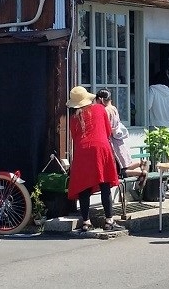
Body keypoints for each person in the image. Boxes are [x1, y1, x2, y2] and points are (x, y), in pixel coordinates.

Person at [66, 85, 122, 232]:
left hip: (82, 151)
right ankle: (109, 221)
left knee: (84, 186)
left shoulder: (74, 118)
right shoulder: (99, 109)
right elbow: (108, 131)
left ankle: (86, 222)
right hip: (101, 148)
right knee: (104, 184)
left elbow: (74, 137)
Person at [95, 89, 148, 189]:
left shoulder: (105, 110)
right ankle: (141, 163)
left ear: (101, 100)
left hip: (111, 142)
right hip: (119, 140)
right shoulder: (114, 108)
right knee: (124, 164)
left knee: (119, 171)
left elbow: (106, 127)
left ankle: (141, 173)